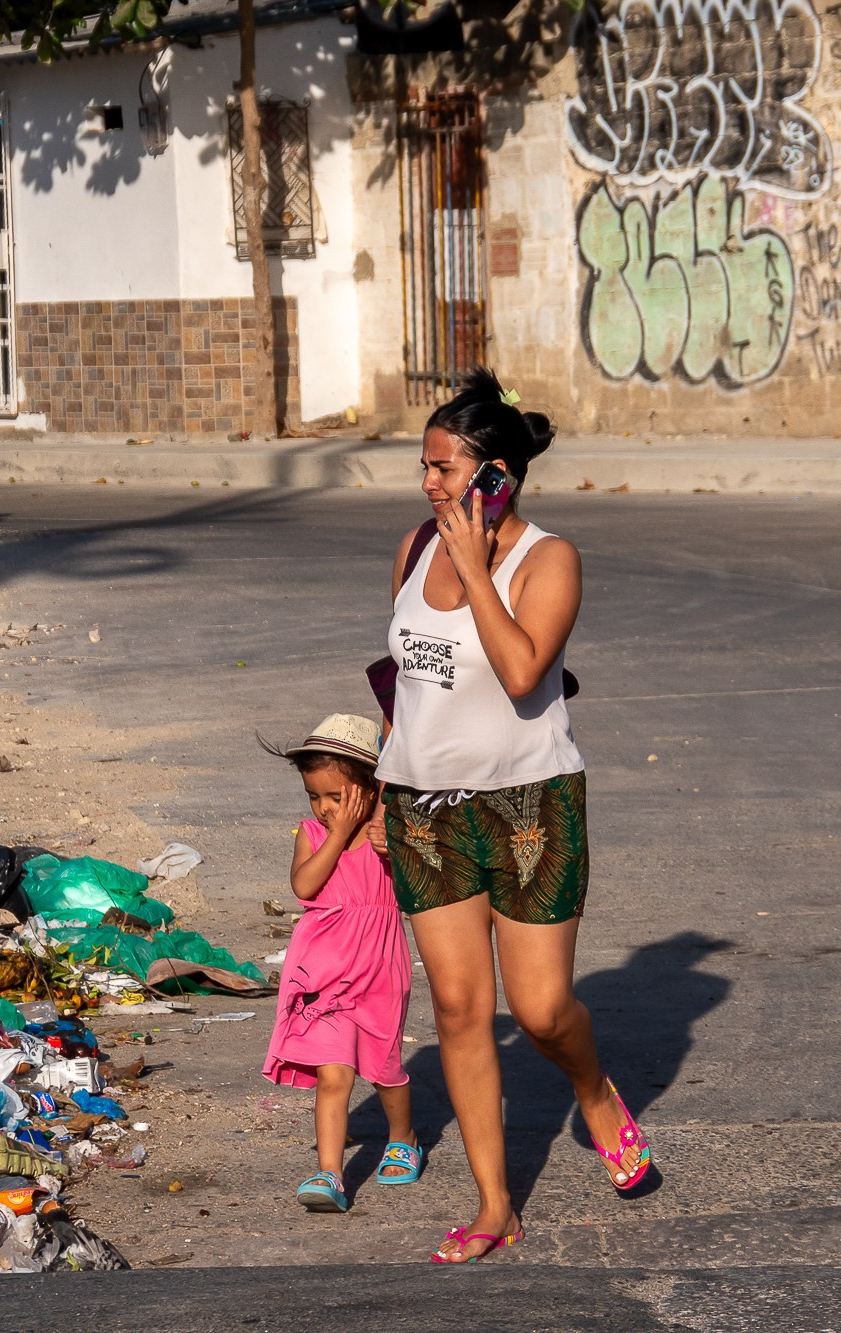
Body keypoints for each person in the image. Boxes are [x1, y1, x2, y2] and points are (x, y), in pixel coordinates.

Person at [375, 368, 650, 1265]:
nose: (428, 483)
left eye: (444, 468)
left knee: (538, 1009)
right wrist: (386, 778)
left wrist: (473, 564)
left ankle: (594, 1092)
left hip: (530, 803)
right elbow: (407, 680)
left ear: (495, 475)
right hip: (423, 810)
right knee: (460, 1008)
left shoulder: (549, 559)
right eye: (425, 466)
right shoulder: (413, 546)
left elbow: (524, 669)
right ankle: (496, 1204)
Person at [261, 713, 422, 1213]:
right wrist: (339, 832)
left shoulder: (386, 837)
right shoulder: (312, 834)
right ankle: (330, 1172)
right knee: (334, 1075)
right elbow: (304, 886)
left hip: (379, 970)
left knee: (385, 1069)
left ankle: (404, 1136)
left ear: (373, 790)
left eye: (336, 797)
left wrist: (393, 843)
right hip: (325, 977)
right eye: (315, 797)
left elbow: (415, 890)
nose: (325, 808)